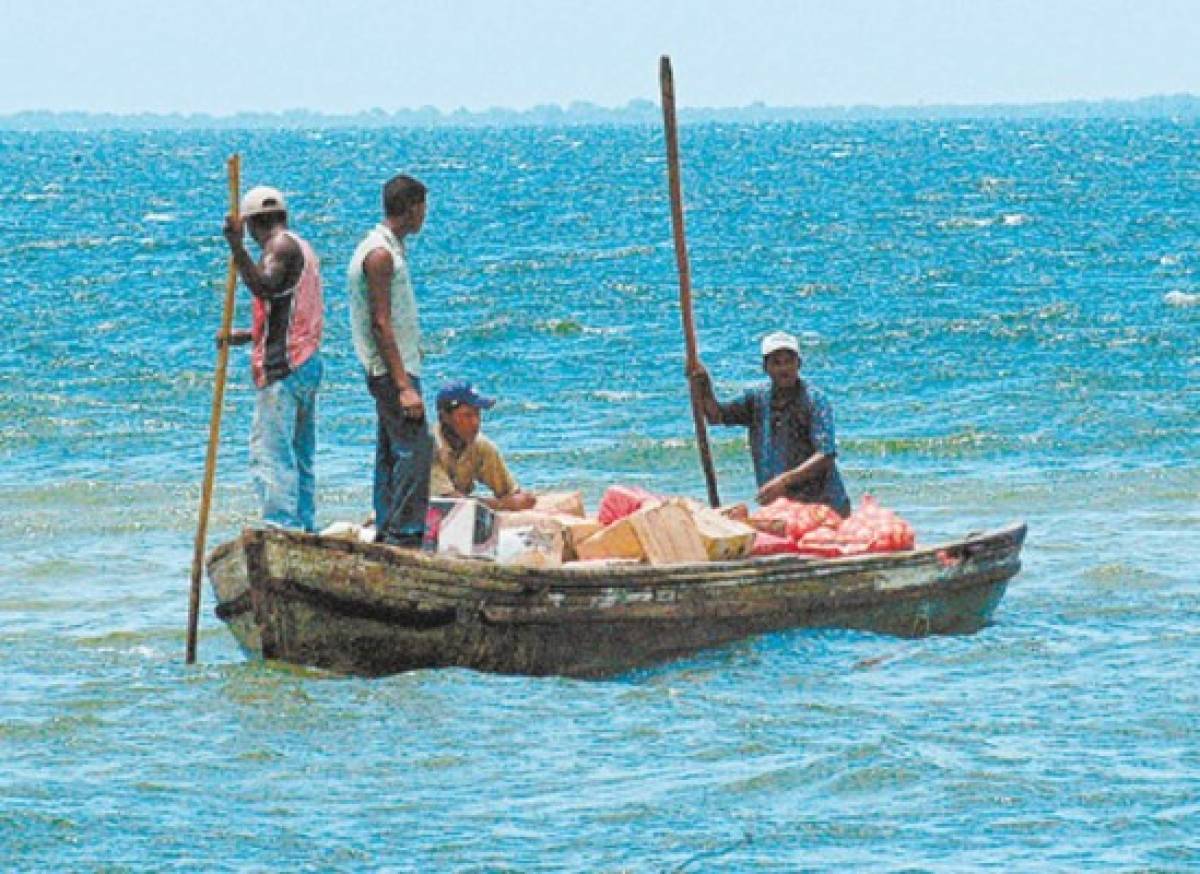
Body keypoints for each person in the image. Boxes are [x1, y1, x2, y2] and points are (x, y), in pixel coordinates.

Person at [220, 185, 324, 532]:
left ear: (252, 225)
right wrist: (249, 336)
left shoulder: (279, 247)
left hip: (285, 367)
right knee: (299, 454)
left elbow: (264, 287)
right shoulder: (302, 248)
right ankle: (303, 525)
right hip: (305, 361)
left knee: (273, 454)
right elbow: (287, 306)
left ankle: (281, 527)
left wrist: (235, 248)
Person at [348, 174, 434, 547]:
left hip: (394, 366)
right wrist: (403, 386)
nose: (424, 216)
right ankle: (404, 534)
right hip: (391, 370)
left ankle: (387, 528)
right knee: (416, 448)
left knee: (391, 450)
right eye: (423, 208)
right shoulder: (380, 255)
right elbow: (381, 323)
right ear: (413, 208)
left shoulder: (388, 249)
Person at [689, 330, 851, 516]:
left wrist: (784, 481)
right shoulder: (756, 400)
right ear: (765, 367)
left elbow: (826, 454)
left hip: (824, 505)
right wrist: (703, 384)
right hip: (781, 509)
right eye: (776, 363)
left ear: (799, 364)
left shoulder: (814, 400)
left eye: (789, 362)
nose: (784, 369)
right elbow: (716, 416)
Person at [430, 380, 537, 512]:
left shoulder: (480, 446)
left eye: (477, 414)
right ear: (445, 417)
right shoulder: (429, 447)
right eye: (467, 415)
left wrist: (519, 500)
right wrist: (503, 504)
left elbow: (513, 494)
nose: (475, 422)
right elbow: (449, 502)